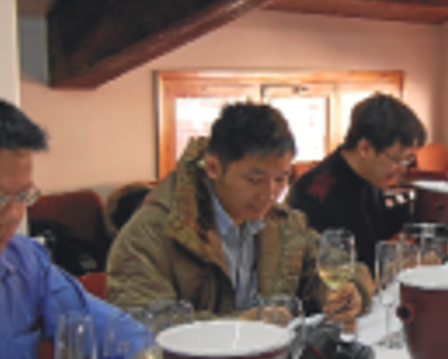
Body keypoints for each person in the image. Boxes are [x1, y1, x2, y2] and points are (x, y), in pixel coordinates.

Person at [107, 102, 371, 324]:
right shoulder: (152, 231)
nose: (269, 194)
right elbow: (140, 321)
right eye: (254, 180)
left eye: (280, 179)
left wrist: (350, 292)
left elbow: (338, 269)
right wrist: (236, 328)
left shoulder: (284, 224)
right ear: (213, 167)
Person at [0, 100, 136, 359]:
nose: (13, 214)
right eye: (0, 197)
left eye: (23, 196)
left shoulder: (24, 261)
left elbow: (113, 330)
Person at [287, 93, 426, 274]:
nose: (402, 170)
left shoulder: (369, 177)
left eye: (408, 161)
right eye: (397, 160)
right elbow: (326, 273)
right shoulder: (312, 195)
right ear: (365, 149)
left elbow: (380, 232)